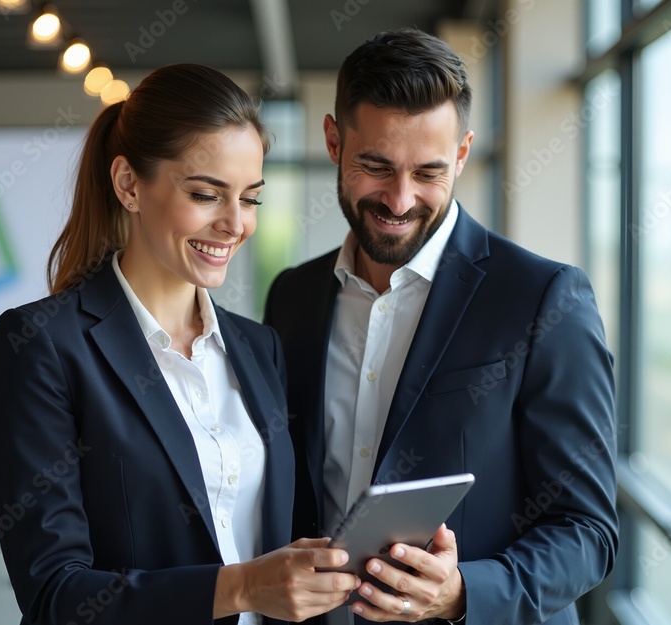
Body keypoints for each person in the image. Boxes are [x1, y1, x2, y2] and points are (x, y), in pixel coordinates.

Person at [0, 64, 360, 625]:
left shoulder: (259, 348)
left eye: (251, 198)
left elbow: (288, 539)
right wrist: (240, 588)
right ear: (129, 184)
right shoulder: (41, 346)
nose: (235, 224)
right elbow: (55, 595)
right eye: (207, 194)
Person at [264, 29, 619, 624]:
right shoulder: (293, 297)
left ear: (462, 153)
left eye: (428, 172)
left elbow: (588, 531)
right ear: (333, 140)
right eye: (376, 165)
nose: (400, 200)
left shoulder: (543, 299)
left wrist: (462, 595)